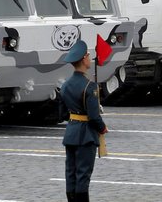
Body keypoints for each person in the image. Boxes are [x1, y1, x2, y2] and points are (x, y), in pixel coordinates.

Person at [59, 39, 106, 202]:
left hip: (71, 133)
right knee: (83, 175)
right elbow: (94, 117)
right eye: (88, 55)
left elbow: (62, 114)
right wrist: (102, 127)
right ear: (83, 59)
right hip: (86, 136)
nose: (90, 58)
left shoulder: (64, 86)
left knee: (70, 173)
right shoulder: (90, 86)